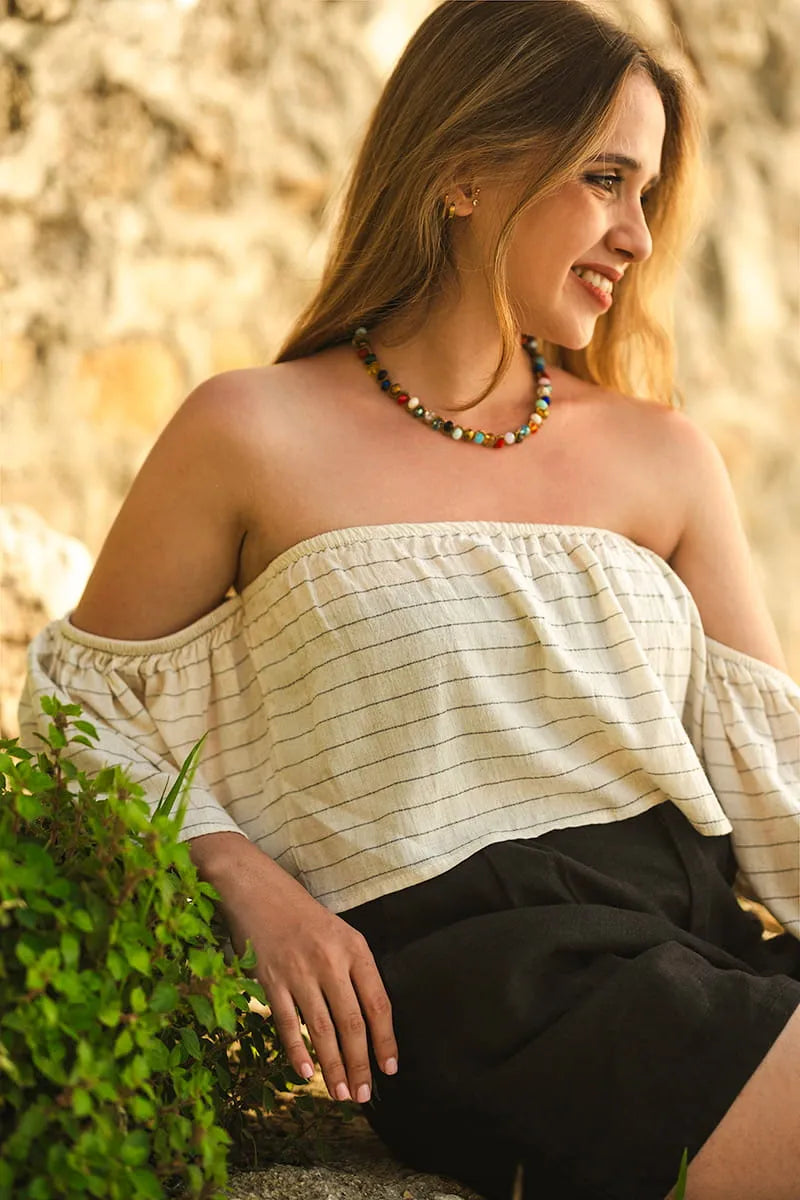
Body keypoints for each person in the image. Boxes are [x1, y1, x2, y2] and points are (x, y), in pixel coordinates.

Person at [18, 2, 800, 1197]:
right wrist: (236, 872)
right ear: (464, 171)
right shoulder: (248, 431)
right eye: (604, 180)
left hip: (692, 944)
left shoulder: (661, 455)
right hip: (485, 988)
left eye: (645, 194)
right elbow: (79, 717)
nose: (637, 237)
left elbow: (770, 771)